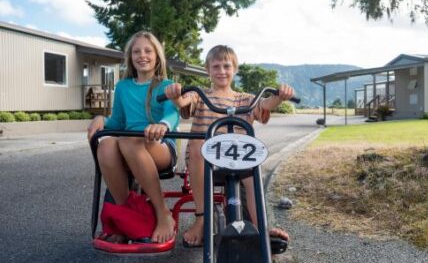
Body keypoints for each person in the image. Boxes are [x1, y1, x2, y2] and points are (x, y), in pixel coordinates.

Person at [164, 45, 293, 247]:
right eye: (216, 66)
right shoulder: (199, 95)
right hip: (205, 160)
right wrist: (175, 95)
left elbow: (266, 104)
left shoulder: (246, 99)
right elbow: (183, 101)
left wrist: (279, 97)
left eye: (226, 66)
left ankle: (261, 227)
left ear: (235, 69)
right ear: (207, 70)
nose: (221, 71)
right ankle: (202, 218)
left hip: (238, 159)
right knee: (199, 142)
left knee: (253, 170)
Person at [87, 31, 179, 244]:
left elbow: (172, 113)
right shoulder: (123, 87)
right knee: (106, 144)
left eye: (148, 50)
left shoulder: (165, 85)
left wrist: (162, 125)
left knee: (127, 141)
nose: (142, 55)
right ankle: (126, 217)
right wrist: (101, 118)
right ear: (130, 58)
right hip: (128, 145)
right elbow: (117, 122)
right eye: (136, 51)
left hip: (160, 146)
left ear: (157, 56)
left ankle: (162, 212)